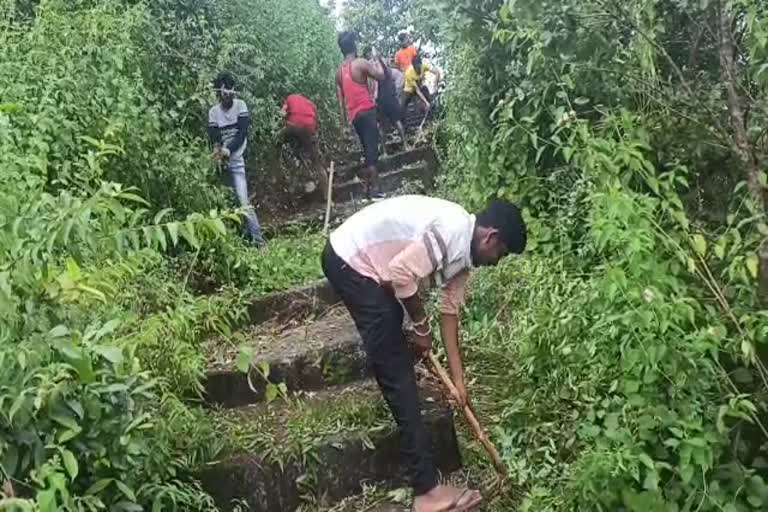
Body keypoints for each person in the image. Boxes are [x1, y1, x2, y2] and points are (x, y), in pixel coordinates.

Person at [321, 195, 527, 512]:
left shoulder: (465, 256)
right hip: (349, 259)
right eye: (501, 252)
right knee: (397, 366)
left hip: (368, 267)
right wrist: (420, 325)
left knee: (391, 329)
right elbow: (401, 272)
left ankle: (425, 483)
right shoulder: (450, 231)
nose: (498, 260)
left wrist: (459, 383)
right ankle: (427, 490)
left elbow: (449, 314)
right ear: (492, 237)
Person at [207, 71, 266, 247]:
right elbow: (214, 136)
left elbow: (242, 133)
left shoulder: (240, 106)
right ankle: (241, 240)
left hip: (237, 160)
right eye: (223, 94)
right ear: (219, 94)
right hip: (222, 163)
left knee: (243, 200)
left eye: (229, 93)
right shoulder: (214, 112)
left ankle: (259, 241)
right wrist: (218, 151)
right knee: (228, 204)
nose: (227, 97)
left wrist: (228, 150)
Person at [336, 31, 385, 199]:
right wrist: (377, 61)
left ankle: (368, 190)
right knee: (372, 151)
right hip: (367, 111)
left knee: (367, 149)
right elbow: (381, 76)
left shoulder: (339, 72)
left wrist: (345, 124)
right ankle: (376, 190)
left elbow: (340, 101)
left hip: (355, 117)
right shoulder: (360, 63)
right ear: (354, 45)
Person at [280, 93, 328, 197]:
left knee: (280, 140)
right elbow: (316, 123)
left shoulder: (290, 98)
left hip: (294, 127)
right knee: (316, 162)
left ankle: (293, 159)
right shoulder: (310, 103)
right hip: (310, 129)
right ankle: (326, 193)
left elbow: (282, 114)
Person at [371, 54, 408, 152]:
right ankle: (404, 145)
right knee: (392, 124)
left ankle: (385, 150)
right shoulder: (383, 76)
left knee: (385, 127)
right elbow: (374, 92)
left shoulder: (384, 74)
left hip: (385, 101)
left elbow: (374, 93)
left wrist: (378, 60)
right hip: (388, 100)